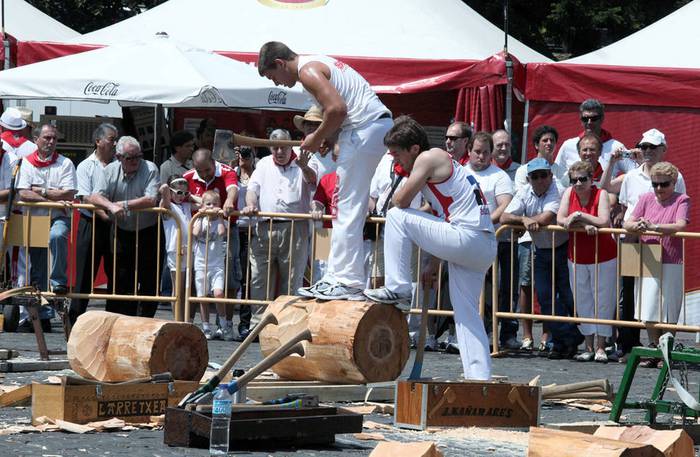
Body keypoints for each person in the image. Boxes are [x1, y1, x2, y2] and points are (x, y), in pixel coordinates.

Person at [363, 116, 496, 380]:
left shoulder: (429, 157)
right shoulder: (437, 167)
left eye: (397, 155)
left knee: (396, 216)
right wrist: (432, 263)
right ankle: (480, 378)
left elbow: (399, 202)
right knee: (466, 314)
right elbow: (437, 214)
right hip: (481, 243)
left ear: (414, 149)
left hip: (467, 236)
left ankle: (399, 288)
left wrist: (404, 177)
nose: (395, 162)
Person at [259, 41, 393, 300]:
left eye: (272, 76)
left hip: (364, 128)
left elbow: (337, 109)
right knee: (349, 204)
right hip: (370, 126)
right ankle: (345, 277)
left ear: (279, 63)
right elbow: (342, 109)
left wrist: (318, 136)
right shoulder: (317, 61)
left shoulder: (307, 72)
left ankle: (345, 279)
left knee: (344, 205)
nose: (276, 82)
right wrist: (329, 137)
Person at [616, 129, 686, 356]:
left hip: (669, 253)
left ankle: (666, 348)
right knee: (642, 301)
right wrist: (634, 226)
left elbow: (680, 222)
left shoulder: (680, 187)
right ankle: (643, 347)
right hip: (641, 248)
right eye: (644, 147)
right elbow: (627, 215)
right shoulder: (634, 180)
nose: (658, 188)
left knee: (668, 302)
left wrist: (655, 227)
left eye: (652, 147)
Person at [241, 129, 315, 321]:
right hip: (265, 226)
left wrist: (304, 167)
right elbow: (252, 189)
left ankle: (287, 322)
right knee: (259, 278)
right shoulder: (264, 163)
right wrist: (251, 204)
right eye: (275, 148)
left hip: (295, 226)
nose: (280, 152)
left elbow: (314, 182)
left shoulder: (305, 160)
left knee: (292, 279)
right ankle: (257, 325)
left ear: (291, 145)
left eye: (284, 147)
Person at [88, 136, 160, 317]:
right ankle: (117, 319)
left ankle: (145, 320)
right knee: (119, 277)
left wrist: (124, 204)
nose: (136, 161)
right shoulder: (110, 170)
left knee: (148, 278)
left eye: (138, 156)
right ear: (119, 157)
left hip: (147, 231)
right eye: (130, 158)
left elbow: (151, 198)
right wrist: (111, 206)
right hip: (121, 231)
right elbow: (95, 196)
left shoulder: (150, 168)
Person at [500, 158, 567, 354]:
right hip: (539, 246)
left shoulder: (558, 189)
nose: (539, 180)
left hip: (561, 247)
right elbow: (504, 216)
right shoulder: (524, 191)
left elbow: (546, 218)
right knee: (530, 287)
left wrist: (523, 223)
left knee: (558, 294)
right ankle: (528, 336)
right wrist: (523, 219)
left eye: (543, 175)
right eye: (535, 176)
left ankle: (552, 337)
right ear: (529, 179)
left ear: (550, 176)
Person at [557, 160, 617, 363]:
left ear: (592, 179)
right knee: (582, 300)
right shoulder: (568, 193)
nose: (578, 183)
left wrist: (579, 216)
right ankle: (588, 345)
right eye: (574, 179)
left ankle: (601, 346)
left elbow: (603, 221)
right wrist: (580, 221)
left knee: (603, 299)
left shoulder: (601, 194)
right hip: (577, 255)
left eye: (583, 179)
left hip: (604, 255)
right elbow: (561, 219)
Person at [465, 132, 519, 350]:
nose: (481, 156)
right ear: (469, 150)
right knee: (470, 289)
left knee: (500, 290)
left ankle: (498, 334)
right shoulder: (459, 173)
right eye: (477, 152)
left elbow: (504, 204)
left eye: (486, 152)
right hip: (466, 240)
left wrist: (485, 223)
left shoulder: (500, 176)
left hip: (495, 239)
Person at [183, 148, 240, 333]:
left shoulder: (226, 171)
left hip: (226, 232)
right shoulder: (188, 177)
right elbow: (179, 196)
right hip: (197, 234)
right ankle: (190, 322)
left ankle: (226, 323)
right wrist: (195, 202)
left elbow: (232, 188)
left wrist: (229, 201)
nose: (205, 175)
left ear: (213, 163)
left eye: (208, 170)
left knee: (229, 278)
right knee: (193, 279)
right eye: (200, 171)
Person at [16, 124, 77, 296]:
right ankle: (43, 314)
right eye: (47, 138)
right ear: (36, 140)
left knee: (56, 236)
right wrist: (53, 199)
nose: (51, 142)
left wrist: (41, 191)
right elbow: (24, 193)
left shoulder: (65, 163)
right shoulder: (27, 162)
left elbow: (69, 193)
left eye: (54, 138)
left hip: (59, 217)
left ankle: (58, 281)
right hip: (35, 219)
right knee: (38, 266)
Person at [72, 123, 119, 325]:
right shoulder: (85, 165)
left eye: (116, 139)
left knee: (116, 275)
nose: (115, 143)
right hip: (90, 223)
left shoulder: (120, 164)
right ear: (98, 141)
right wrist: (106, 215)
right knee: (83, 275)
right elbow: (85, 197)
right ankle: (75, 323)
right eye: (111, 139)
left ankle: (113, 322)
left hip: (115, 225)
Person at [554, 99, 634, 175]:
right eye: (585, 119)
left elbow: (634, 171)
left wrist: (613, 185)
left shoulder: (617, 147)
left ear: (602, 119)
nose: (589, 122)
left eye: (594, 118)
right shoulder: (568, 146)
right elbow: (556, 175)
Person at [193, 190, 231, 340]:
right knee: (202, 297)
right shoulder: (199, 219)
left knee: (218, 294)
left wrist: (220, 217)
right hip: (201, 264)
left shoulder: (222, 220)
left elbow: (221, 233)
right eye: (208, 204)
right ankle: (206, 326)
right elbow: (196, 233)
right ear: (202, 205)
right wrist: (201, 215)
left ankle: (223, 324)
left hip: (217, 265)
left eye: (215, 204)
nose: (212, 207)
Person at [159, 175, 191, 323]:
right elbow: (164, 190)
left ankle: (183, 319)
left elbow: (203, 202)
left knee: (185, 289)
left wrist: (189, 196)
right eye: (179, 193)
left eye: (185, 193)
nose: (182, 196)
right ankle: (178, 320)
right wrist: (169, 188)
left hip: (188, 249)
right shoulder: (168, 206)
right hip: (175, 250)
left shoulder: (186, 205)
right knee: (177, 288)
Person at [232, 145, 255, 340]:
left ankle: (245, 322)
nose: (243, 157)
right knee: (231, 278)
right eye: (240, 152)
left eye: (247, 152)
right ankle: (223, 322)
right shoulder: (231, 174)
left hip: (251, 230)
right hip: (233, 230)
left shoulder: (259, 174)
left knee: (248, 278)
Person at [293, 104, 337, 181]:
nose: (312, 127)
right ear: (303, 127)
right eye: (309, 123)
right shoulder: (294, 150)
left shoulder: (333, 151)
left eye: (317, 124)